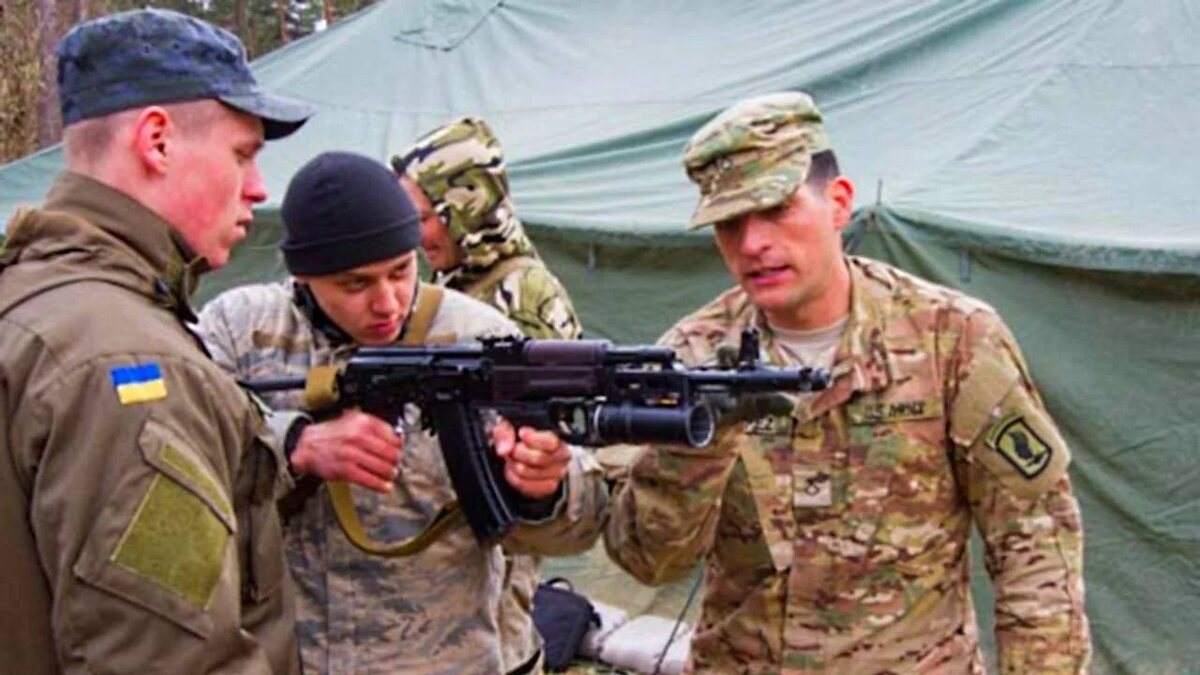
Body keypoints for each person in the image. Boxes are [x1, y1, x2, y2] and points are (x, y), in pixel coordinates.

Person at [603, 92, 1090, 673]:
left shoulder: (952, 340)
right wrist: (702, 441)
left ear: (838, 203)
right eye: (729, 223)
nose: (753, 244)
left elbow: (1035, 542)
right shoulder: (692, 357)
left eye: (777, 209)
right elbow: (648, 559)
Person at [196, 151, 607, 675]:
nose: (387, 302)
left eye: (401, 270)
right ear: (303, 274)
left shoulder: (479, 337)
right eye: (356, 284)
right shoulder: (239, 330)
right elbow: (176, 456)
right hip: (284, 657)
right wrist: (293, 444)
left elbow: (581, 529)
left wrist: (544, 489)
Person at [0, 9, 313, 674]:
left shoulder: (28, 303)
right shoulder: (130, 363)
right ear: (158, 141)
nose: (258, 188)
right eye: (242, 154)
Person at [393, 116, 583, 673]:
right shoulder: (455, 284)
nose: (415, 234)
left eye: (424, 217)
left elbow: (550, 432)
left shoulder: (522, 292)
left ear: (464, 210)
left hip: (500, 538)